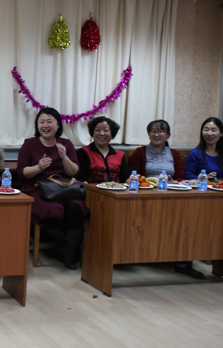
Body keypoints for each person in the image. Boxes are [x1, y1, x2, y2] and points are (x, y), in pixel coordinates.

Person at [129, 120, 203, 279]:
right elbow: (131, 177)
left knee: (187, 220)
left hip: (171, 196)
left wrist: (174, 182)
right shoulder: (140, 152)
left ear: (168, 135)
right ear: (148, 134)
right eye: (153, 131)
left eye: (161, 131)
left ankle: (183, 262)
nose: (156, 134)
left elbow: (181, 177)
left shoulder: (174, 154)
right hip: (145, 198)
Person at [17, 107, 88, 270]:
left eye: (50, 121)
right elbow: (21, 172)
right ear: (37, 125)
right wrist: (38, 167)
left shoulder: (66, 144)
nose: (45, 125)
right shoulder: (30, 144)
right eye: (41, 122)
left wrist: (65, 158)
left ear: (58, 125)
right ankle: (69, 248)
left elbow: (75, 172)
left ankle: (68, 253)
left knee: (76, 208)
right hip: (36, 190)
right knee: (53, 209)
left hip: (64, 190)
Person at [76, 116, 128, 183]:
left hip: (116, 188)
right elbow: (81, 179)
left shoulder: (119, 155)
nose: (102, 133)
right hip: (92, 189)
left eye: (106, 130)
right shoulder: (84, 152)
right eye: (98, 130)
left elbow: (125, 179)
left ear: (112, 134)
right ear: (92, 133)